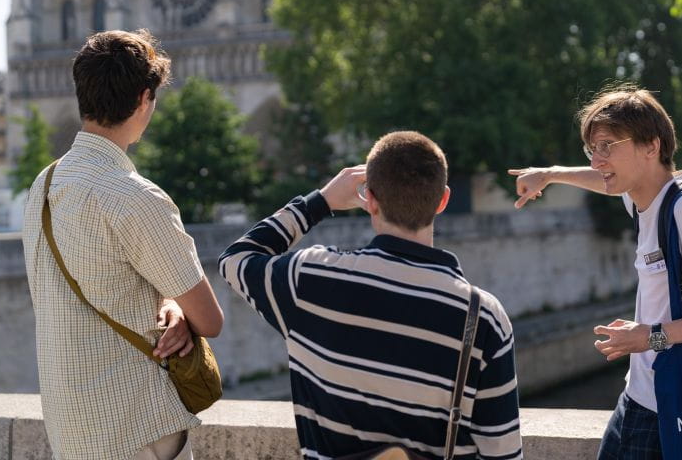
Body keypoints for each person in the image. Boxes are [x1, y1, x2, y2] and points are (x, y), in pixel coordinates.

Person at [219, 131, 522, 459]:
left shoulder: (310, 278)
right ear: (443, 200)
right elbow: (502, 453)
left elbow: (236, 259)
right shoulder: (483, 317)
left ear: (371, 200)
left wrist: (320, 201)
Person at [509, 87, 682, 460]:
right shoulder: (647, 199)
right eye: (592, 149)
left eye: (608, 146)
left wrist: (652, 337)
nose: (598, 161)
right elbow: (607, 182)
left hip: (678, 408)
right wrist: (549, 175)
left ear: (651, 146)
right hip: (641, 398)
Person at [22, 30, 224, 460]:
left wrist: (169, 302)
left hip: (71, 426)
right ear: (143, 99)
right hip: (135, 429)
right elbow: (209, 319)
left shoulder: (44, 184)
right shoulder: (135, 197)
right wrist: (181, 310)